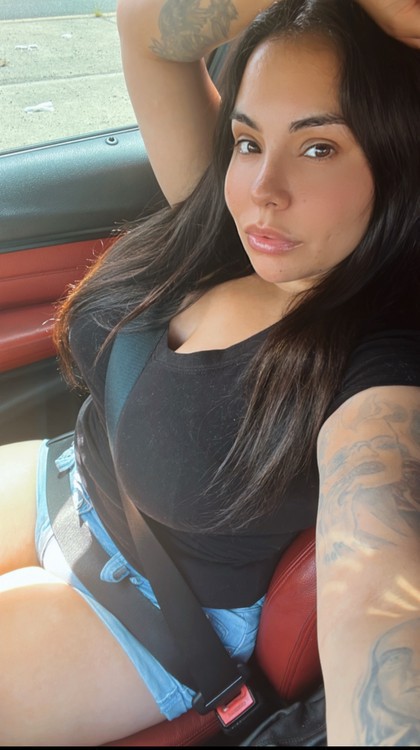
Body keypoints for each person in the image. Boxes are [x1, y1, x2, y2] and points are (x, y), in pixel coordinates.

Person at [0, 0, 419, 745]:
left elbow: (378, 577)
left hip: (144, 621)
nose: (264, 187)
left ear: (400, 159)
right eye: (249, 140)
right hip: (66, 481)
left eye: (319, 147)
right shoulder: (232, 225)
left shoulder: (380, 363)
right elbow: (147, 29)